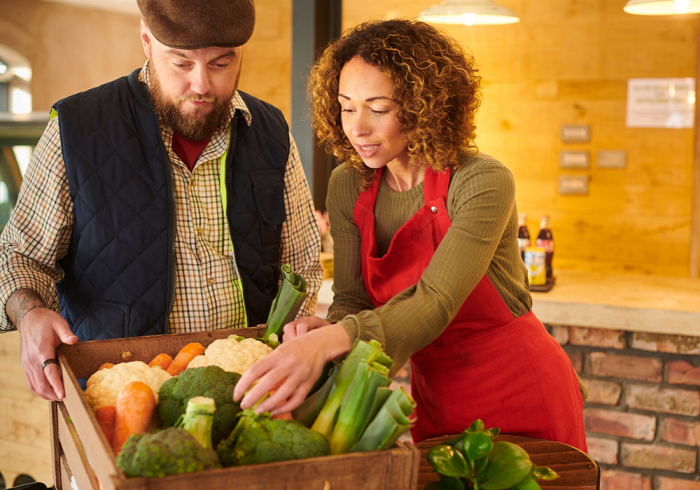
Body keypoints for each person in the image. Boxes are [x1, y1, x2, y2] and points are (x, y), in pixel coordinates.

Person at [234, 18, 587, 451]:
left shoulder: (481, 181)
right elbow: (353, 300)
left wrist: (333, 338)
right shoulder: (349, 183)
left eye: (378, 108)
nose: (357, 127)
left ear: (424, 107)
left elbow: (435, 301)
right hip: (434, 396)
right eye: (346, 106)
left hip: (518, 387)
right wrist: (325, 331)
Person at [0, 0, 323, 403]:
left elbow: (303, 263)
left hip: (252, 392)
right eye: (182, 64)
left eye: (221, 64)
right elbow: (20, 256)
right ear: (146, 41)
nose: (202, 85)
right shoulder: (76, 128)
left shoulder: (271, 130)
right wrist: (28, 313)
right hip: (118, 398)